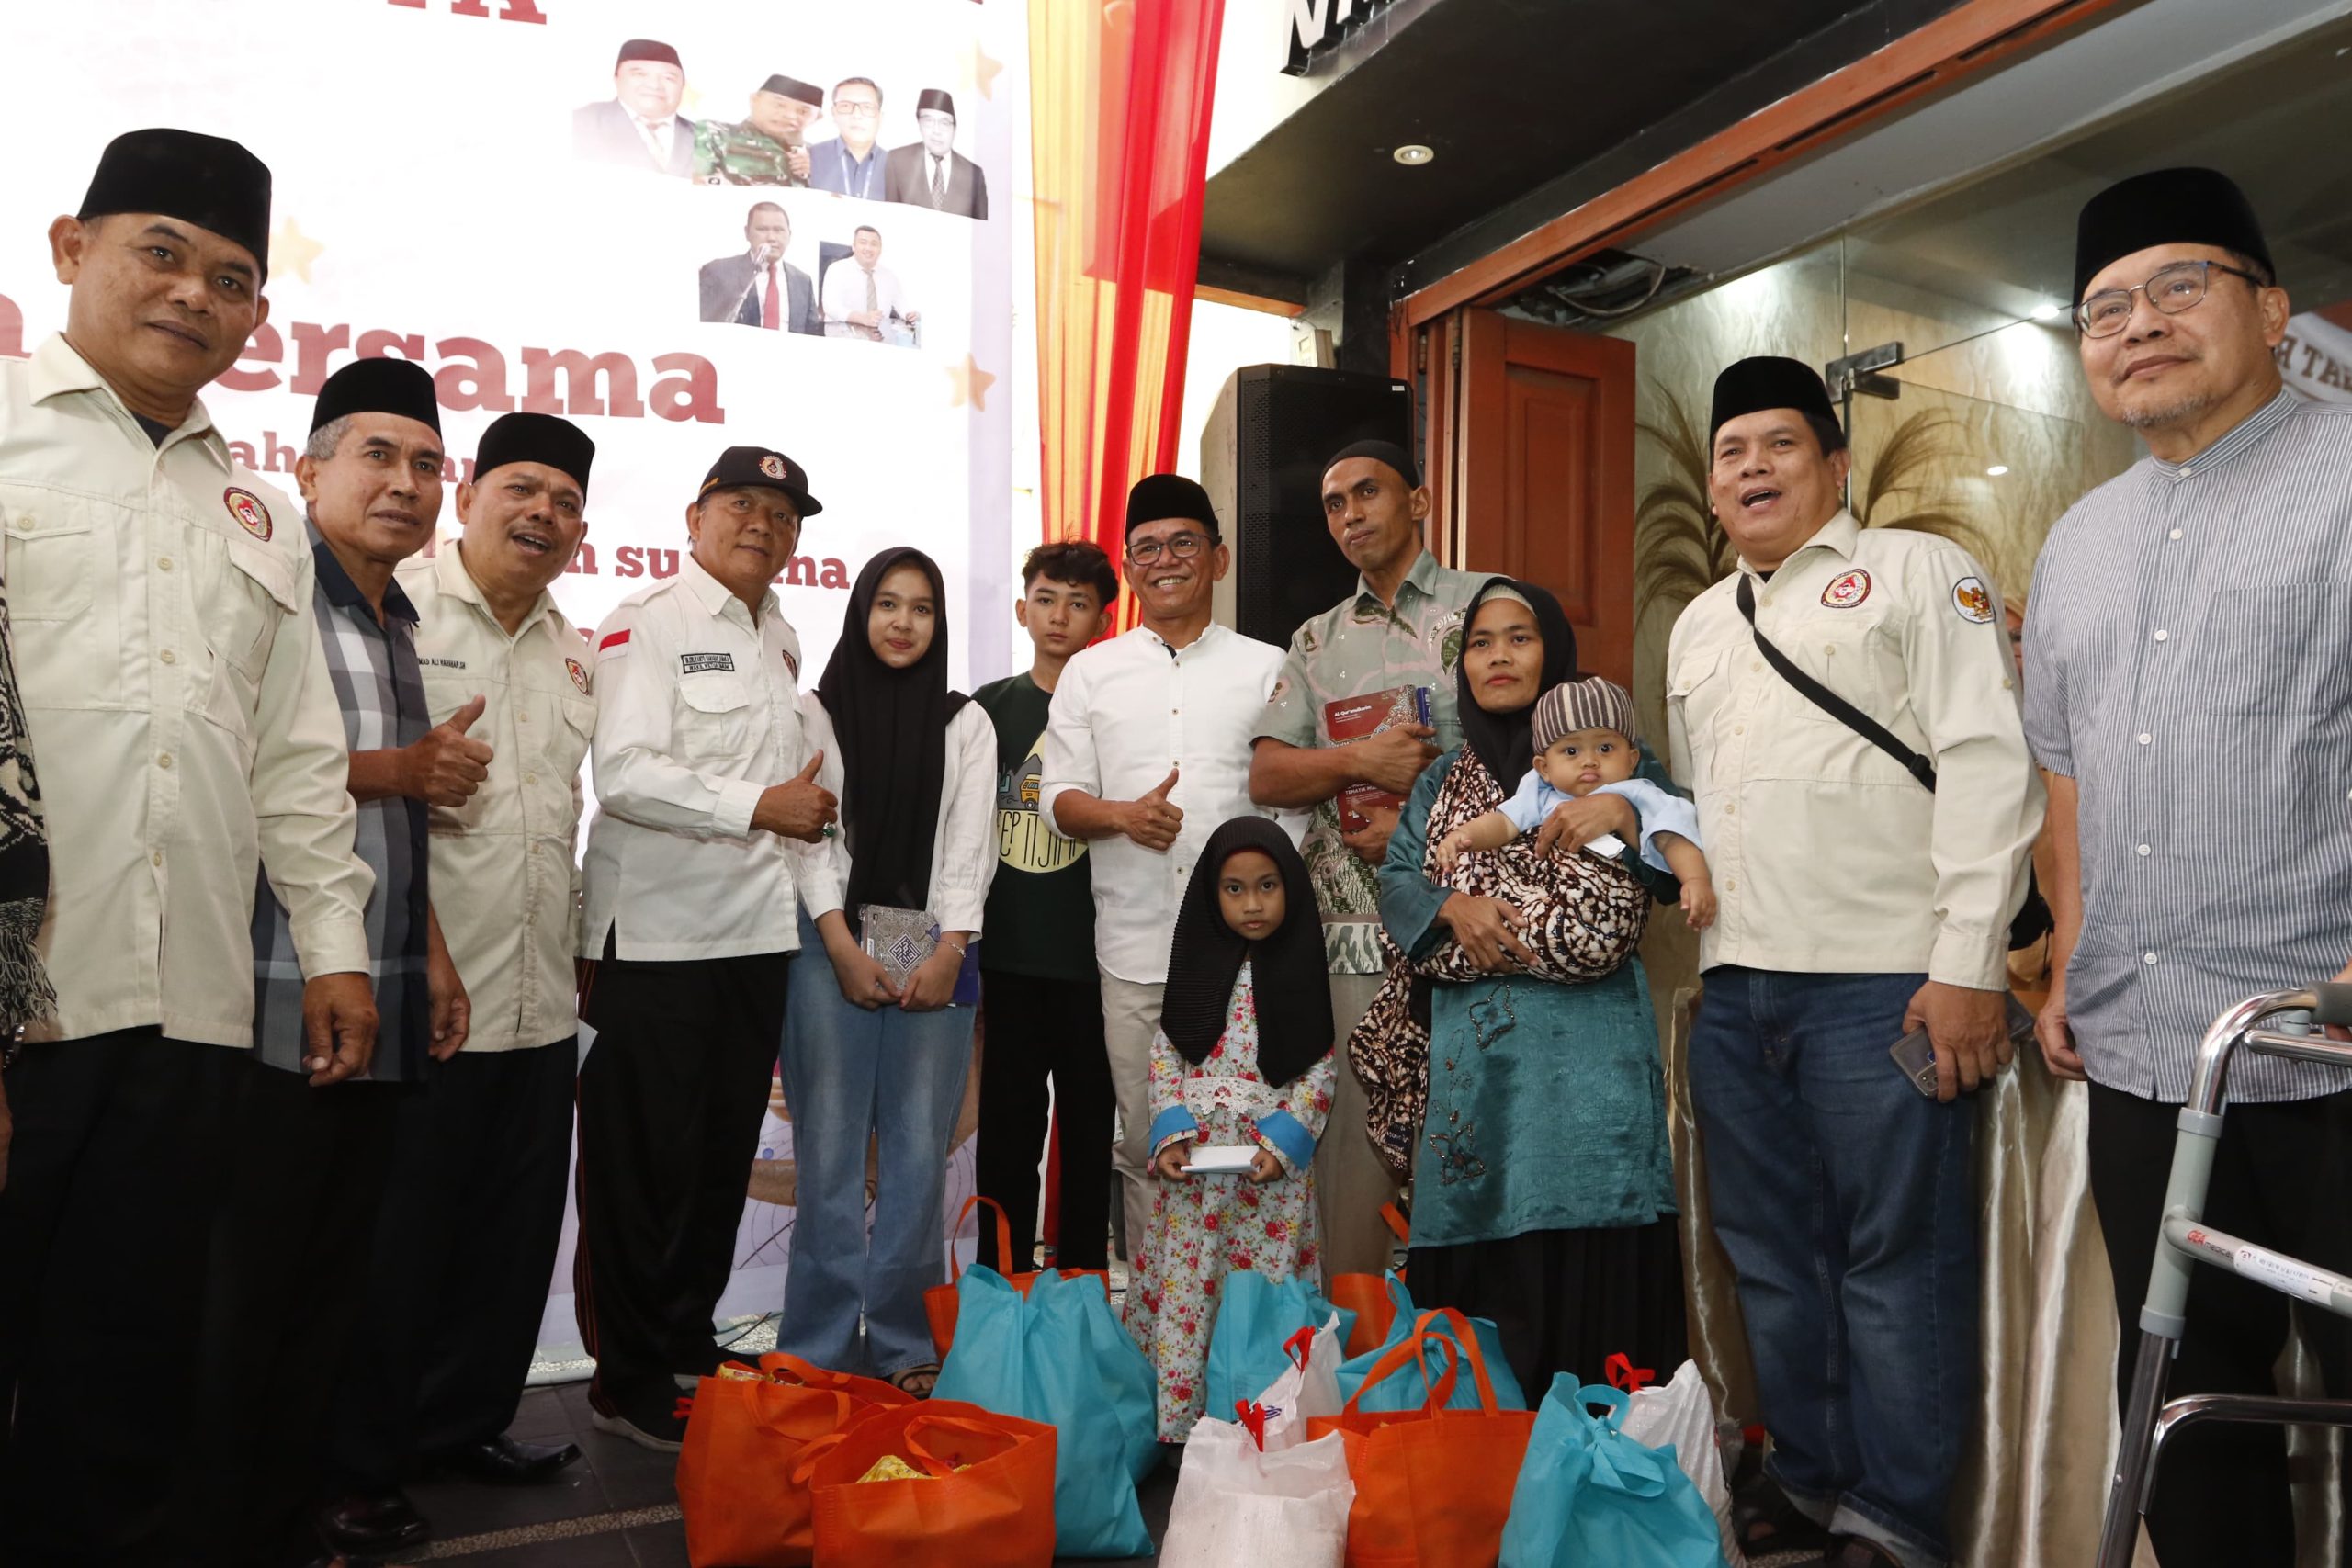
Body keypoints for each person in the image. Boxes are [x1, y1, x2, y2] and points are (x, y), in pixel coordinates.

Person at [0, 128, 377, 1564]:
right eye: (160, 253)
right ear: (70, 247)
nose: (193, 295)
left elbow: (291, 755)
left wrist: (334, 949)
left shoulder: (260, 511)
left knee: (125, 1369)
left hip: (191, 1012)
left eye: (230, 279)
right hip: (23, 1005)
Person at [2028, 166, 2352, 1567]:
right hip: (2149, 1052)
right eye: (2105, 307)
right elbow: (2068, 771)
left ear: (2271, 310)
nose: (2139, 323)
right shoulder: (2078, 539)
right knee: (2183, 1417)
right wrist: (2069, 951)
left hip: (2330, 1046)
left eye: (2179, 285)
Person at [1668, 355, 2041, 1568]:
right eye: (1731, 453)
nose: (1753, 467)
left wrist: (1968, 964)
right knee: (1773, 1263)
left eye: (1780, 444)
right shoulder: (1697, 623)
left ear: (1835, 463)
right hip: (1736, 991)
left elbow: (1989, 764)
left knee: (1894, 1264)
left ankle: (1897, 1516)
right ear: (1712, 487)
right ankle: (1813, 1479)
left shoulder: (1920, 572)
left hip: (1885, 984)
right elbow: (1705, 805)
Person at [194, 357, 470, 1568]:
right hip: (270, 990)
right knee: (242, 1288)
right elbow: (241, 765)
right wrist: (395, 771)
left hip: (380, 989)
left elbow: (392, 826)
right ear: (307, 473)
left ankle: (283, 1511)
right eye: (377, 455)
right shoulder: (269, 588)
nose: (404, 483)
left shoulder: (397, 616)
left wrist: (431, 951)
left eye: (426, 464)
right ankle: (218, 1522)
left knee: (328, 1284)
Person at [319, 412, 598, 1560]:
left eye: (567, 502)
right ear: (470, 496)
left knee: (508, 1242)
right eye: (522, 488)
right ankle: (359, 1466)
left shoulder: (576, 649)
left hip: (538, 997)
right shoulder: (399, 609)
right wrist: (425, 948)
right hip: (426, 990)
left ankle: (465, 1425)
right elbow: (342, 794)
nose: (544, 514)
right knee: (398, 1245)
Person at [574, 446, 838, 1450]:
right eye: (741, 504)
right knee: (640, 1169)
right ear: (695, 517)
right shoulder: (646, 621)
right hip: (652, 940)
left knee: (717, 1160)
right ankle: (626, 1377)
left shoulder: (782, 637)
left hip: (754, 939)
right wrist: (759, 805)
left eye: (783, 513)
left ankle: (687, 1340)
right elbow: (625, 773)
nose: (762, 525)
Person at [1373, 579, 1687, 1401]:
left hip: (1591, 1068)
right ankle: (1482, 1456)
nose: (1499, 656)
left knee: (1595, 1261)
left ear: (1554, 651)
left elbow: (1672, 865)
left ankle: (1598, 1463)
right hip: (1480, 1072)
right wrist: (1454, 906)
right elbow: (1399, 882)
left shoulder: (1614, 758)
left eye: (1520, 637)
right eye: (1480, 642)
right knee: (1482, 1252)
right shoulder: (1444, 779)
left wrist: (1622, 816)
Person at [1249, 438, 1487, 1278]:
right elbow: (1269, 773)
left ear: (1418, 501)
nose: (1350, 514)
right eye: (1334, 503)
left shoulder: (1485, 610)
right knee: (1354, 1134)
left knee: (1467, 1122)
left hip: (1469, 913)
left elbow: (1536, 762)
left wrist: (1419, 824)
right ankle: (1353, 1330)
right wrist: (1359, 761)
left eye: (1368, 493)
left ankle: (1462, 1333)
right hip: (1353, 926)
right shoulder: (1316, 641)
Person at [1040, 474, 1292, 1263]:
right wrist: (1122, 816)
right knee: (1150, 1142)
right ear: (1128, 568)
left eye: (1184, 542)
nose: (1166, 560)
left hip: (1246, 957)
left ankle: (1244, 1315)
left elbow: (1291, 811)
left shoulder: (1268, 666)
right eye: (1146, 548)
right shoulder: (1091, 673)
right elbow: (1057, 799)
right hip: (1136, 951)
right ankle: (1159, 1313)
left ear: (1219, 558)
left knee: (1254, 1140)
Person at [778, 547, 997, 1398]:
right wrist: (839, 943)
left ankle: (906, 1341)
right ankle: (819, 1345)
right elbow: (809, 839)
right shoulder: (813, 713)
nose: (904, 622)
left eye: (922, 608)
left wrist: (950, 950)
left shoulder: (966, 723)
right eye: (887, 604)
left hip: (938, 947)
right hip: (826, 942)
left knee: (915, 1157)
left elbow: (970, 847)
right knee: (829, 1155)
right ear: (861, 611)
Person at [1127, 818, 1336, 1440]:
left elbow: (1319, 1068)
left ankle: (1262, 1423)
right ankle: (1182, 1427)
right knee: (1191, 1294)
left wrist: (1282, 1142)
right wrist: (1172, 1134)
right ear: (1210, 894)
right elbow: (1167, 1054)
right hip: (1197, 1179)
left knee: (1263, 1297)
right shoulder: (1196, 967)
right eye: (1235, 888)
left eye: (1268, 885)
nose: (1252, 904)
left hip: (1270, 1184)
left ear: (1291, 886)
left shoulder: (1301, 969)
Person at [972, 541, 1119, 1275]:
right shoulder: (986, 709)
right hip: (1007, 957)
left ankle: (1083, 1290)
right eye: (1046, 598)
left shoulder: (1117, 708)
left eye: (1079, 602)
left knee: (1090, 1136)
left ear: (1104, 619)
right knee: (1007, 1135)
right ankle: (1001, 1288)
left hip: (1097, 959)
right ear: (1021, 607)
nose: (1059, 615)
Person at [1433, 675, 1714, 931]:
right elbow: (1504, 823)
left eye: (1605, 748)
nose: (1589, 760)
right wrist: (1464, 835)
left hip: (1606, 922)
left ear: (1631, 761)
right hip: (1539, 914)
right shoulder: (1541, 793)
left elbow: (1672, 838)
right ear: (1544, 768)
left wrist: (1695, 880)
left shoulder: (1639, 793)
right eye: (1571, 750)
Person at [572, 38, 695, 177]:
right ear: (616, 78)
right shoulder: (579, 122)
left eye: (668, 78)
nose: (654, 85)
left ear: (683, 85)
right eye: (640, 74)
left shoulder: (709, 139)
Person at [698, 202, 818, 333]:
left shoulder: (803, 282)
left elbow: (812, 332)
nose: (771, 238)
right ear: (747, 233)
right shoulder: (718, 272)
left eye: (778, 230)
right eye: (762, 229)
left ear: (789, 235)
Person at [695, 73, 820, 186]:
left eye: (803, 111)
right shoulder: (713, 134)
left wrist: (821, 173)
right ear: (754, 100)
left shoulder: (819, 156)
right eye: (779, 105)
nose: (790, 115)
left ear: (817, 117)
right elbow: (698, 183)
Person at [885, 89, 988, 219]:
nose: (936, 131)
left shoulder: (974, 175)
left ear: (954, 128)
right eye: (928, 121)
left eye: (945, 123)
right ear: (919, 124)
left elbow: (983, 228)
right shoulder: (896, 161)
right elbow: (888, 216)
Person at [821, 225, 919, 344]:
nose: (868, 248)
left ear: (880, 249)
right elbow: (831, 307)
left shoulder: (889, 276)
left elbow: (901, 304)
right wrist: (861, 318)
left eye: (874, 244)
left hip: (881, 339)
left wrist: (909, 314)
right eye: (863, 243)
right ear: (854, 246)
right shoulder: (836, 269)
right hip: (843, 340)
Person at [808, 76, 888, 200]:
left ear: (880, 117)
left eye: (867, 107)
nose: (856, 115)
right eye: (845, 106)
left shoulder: (897, 168)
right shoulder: (810, 157)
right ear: (834, 113)